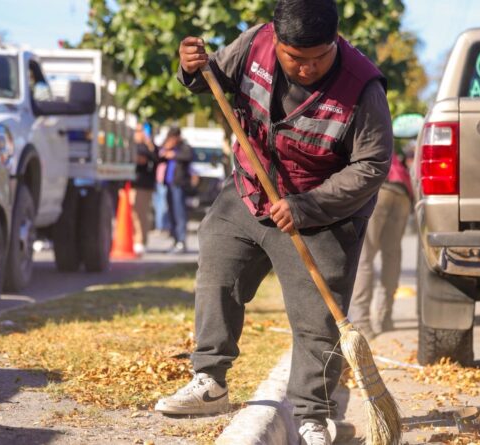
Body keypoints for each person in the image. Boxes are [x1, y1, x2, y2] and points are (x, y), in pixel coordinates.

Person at [154, 1, 393, 444]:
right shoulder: (255, 42)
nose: (305, 69)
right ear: (277, 41)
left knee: (316, 319)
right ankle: (210, 381)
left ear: (336, 42)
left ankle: (313, 414)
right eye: (294, 58)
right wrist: (191, 69)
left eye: (318, 59)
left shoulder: (363, 87)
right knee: (217, 273)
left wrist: (306, 206)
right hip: (249, 190)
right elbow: (214, 78)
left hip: (323, 213)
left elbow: (372, 165)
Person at [348, 150, 413, 339]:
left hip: (379, 188)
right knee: (391, 255)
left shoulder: (357, 126)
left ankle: (362, 323)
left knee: (364, 257)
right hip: (402, 192)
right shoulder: (383, 130)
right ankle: (386, 318)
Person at [158, 127, 193, 254]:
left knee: (180, 214)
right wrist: (166, 149)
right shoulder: (168, 148)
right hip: (169, 184)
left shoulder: (184, 147)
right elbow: (159, 156)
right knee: (171, 214)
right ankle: (175, 240)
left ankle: (181, 242)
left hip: (179, 185)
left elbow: (188, 156)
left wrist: (174, 154)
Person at [131, 125, 156, 254]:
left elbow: (141, 160)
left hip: (143, 186)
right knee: (134, 215)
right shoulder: (135, 146)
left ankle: (140, 241)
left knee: (141, 215)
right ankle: (136, 240)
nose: (136, 133)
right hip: (134, 185)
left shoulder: (146, 147)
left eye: (138, 131)